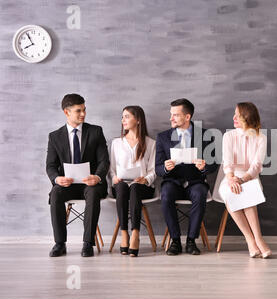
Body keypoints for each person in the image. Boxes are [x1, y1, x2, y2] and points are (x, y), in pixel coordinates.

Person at [46, 93, 110, 257]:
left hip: (91, 184)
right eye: (78, 111)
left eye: (84, 110)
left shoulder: (95, 131)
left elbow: (104, 161)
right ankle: (59, 243)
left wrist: (97, 177)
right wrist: (56, 178)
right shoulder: (55, 137)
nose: (83, 114)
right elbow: (51, 165)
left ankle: (88, 243)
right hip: (68, 185)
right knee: (55, 193)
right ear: (67, 112)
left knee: (94, 191)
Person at [156, 98, 218, 255]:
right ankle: (175, 241)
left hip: (195, 181)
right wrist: (165, 167)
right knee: (166, 194)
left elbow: (213, 165)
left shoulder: (205, 135)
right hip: (173, 182)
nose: (171, 118)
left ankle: (191, 241)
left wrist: (205, 166)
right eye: (171, 114)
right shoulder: (163, 137)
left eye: (175, 115)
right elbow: (158, 169)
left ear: (187, 117)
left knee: (200, 193)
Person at [218, 102, 272, 258]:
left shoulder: (261, 138)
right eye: (234, 114)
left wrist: (242, 180)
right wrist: (232, 179)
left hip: (250, 177)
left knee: (247, 193)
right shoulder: (228, 136)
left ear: (247, 117)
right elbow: (227, 163)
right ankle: (251, 240)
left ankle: (258, 239)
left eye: (238, 115)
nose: (234, 118)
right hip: (230, 177)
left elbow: (256, 166)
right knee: (231, 193)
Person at [109, 106, 156, 257]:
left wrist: (145, 179)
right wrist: (114, 177)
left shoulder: (151, 143)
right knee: (122, 187)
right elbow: (111, 168)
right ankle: (124, 233)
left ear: (138, 120)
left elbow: (153, 170)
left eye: (127, 116)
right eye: (122, 117)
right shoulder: (116, 143)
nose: (123, 120)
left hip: (142, 186)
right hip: (121, 184)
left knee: (135, 187)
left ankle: (135, 233)